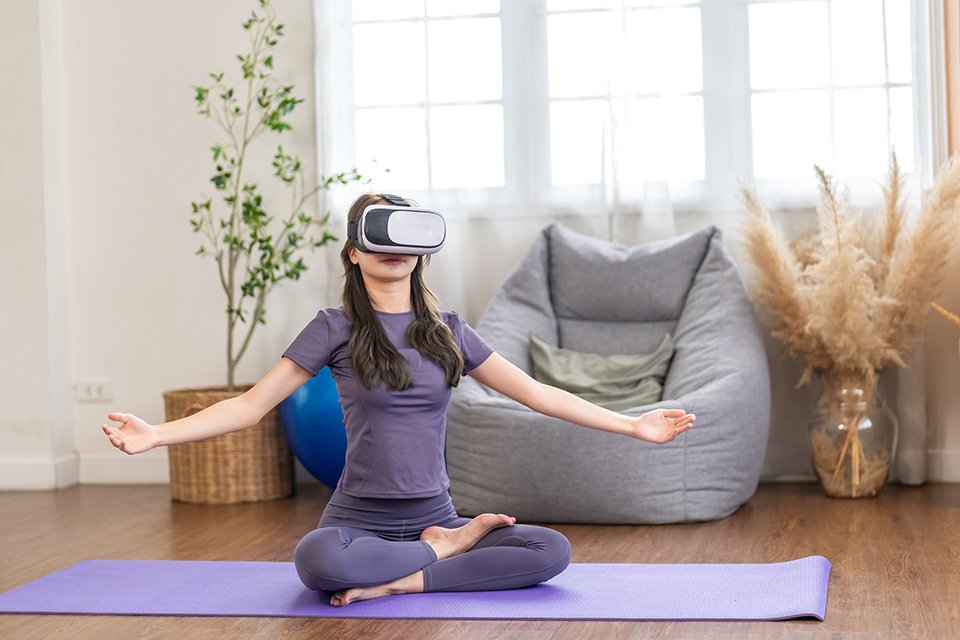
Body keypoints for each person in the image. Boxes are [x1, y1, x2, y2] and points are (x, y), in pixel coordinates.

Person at [101, 193, 695, 607]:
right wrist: (156, 434)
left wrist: (633, 425)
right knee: (318, 563)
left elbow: (537, 394)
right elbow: (250, 406)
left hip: (437, 513)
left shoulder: (450, 331)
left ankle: (407, 575)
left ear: (422, 251)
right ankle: (438, 555)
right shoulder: (333, 328)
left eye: (406, 236)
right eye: (378, 235)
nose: (394, 248)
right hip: (357, 520)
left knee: (548, 551)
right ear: (353, 252)